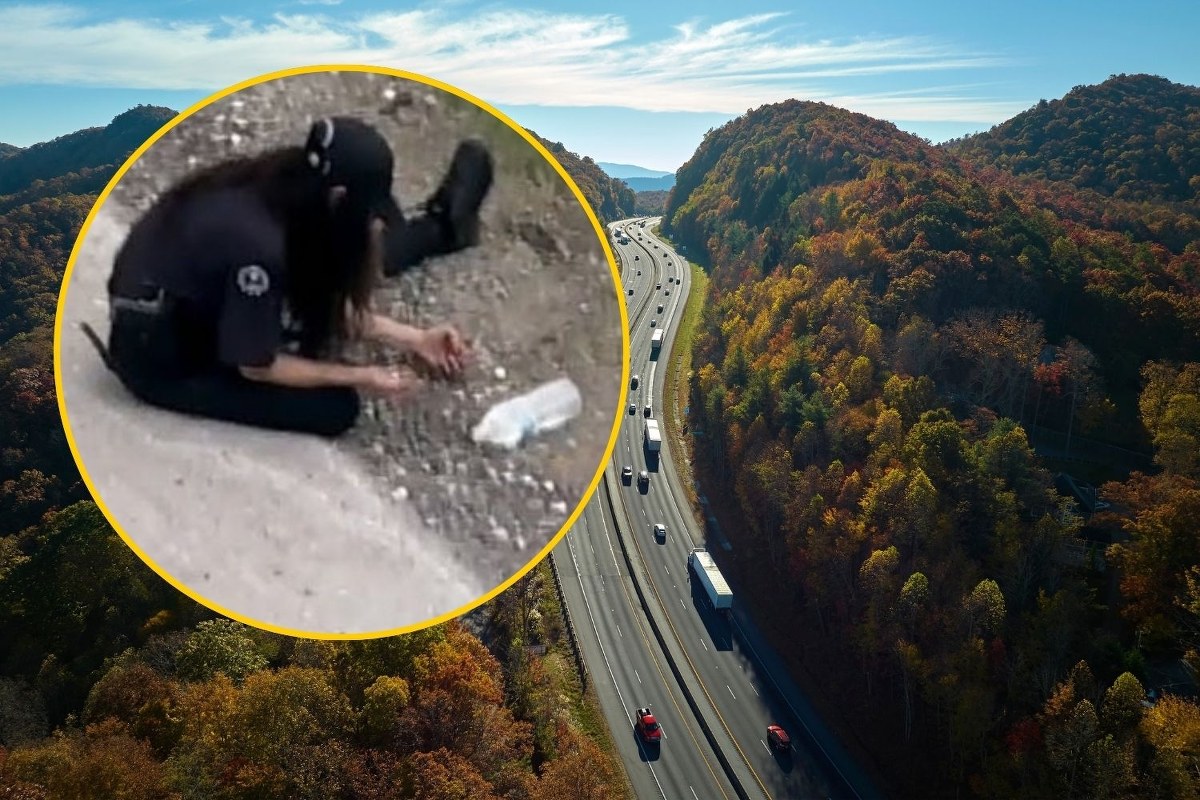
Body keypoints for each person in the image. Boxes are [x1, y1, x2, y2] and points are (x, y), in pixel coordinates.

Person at [84, 115, 494, 438]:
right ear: (338, 199)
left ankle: (444, 226)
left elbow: (318, 286)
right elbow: (256, 366)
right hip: (157, 354)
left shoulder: (287, 180)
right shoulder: (261, 250)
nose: (373, 220)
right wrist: (363, 376)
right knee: (336, 409)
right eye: (368, 210)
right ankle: (443, 229)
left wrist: (414, 338)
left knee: (338, 266)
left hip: (192, 294)